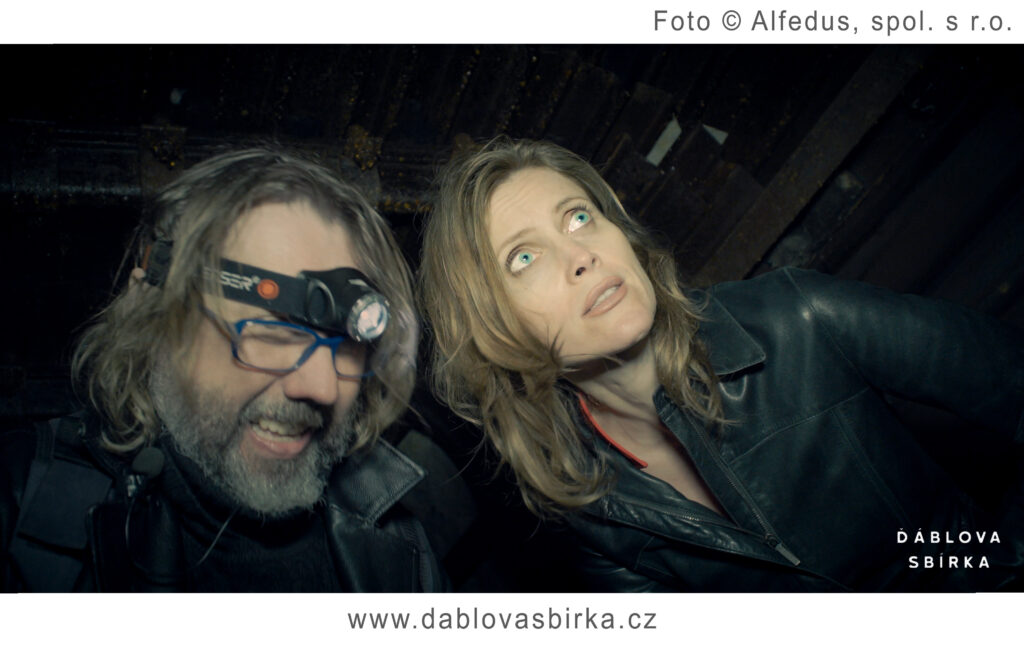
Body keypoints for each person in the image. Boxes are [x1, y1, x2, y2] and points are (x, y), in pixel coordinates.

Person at [419, 136, 1024, 591]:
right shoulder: (586, 507)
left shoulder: (799, 317)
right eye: (523, 258)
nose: (580, 255)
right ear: (493, 331)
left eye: (579, 216)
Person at [1, 147, 445, 592]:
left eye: (348, 344)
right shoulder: (20, 503)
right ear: (150, 317)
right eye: (273, 331)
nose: (323, 387)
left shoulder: (400, 551)